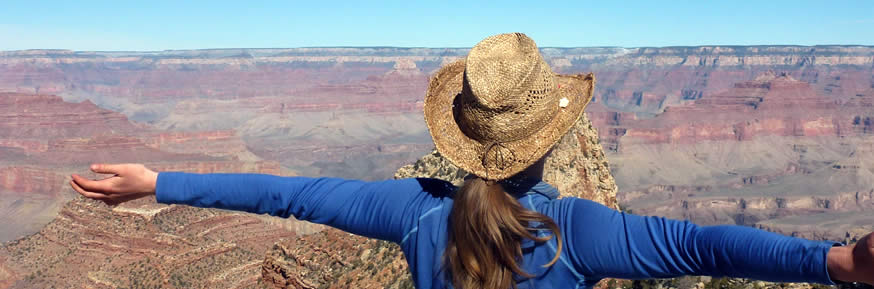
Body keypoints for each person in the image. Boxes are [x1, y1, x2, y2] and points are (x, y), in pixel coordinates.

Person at [71, 33, 872, 289]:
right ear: (551, 138)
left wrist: (159, 182)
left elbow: (293, 194)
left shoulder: (419, 212)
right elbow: (704, 244)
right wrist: (834, 262)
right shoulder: (573, 233)